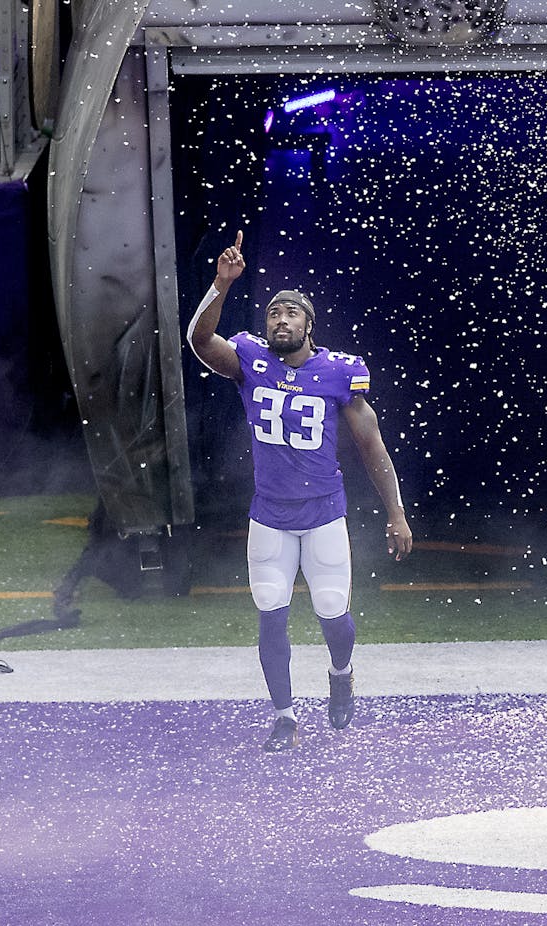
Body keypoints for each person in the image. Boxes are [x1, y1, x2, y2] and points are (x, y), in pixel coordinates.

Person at [187, 231, 413, 752]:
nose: (280, 320)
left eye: (291, 313)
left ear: (309, 325)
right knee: (271, 613)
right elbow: (201, 342)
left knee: (333, 610)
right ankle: (284, 716)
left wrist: (396, 513)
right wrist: (221, 285)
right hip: (269, 514)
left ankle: (341, 672)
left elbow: (372, 448)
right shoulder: (250, 359)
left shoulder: (338, 373)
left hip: (323, 514)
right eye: (273, 313)